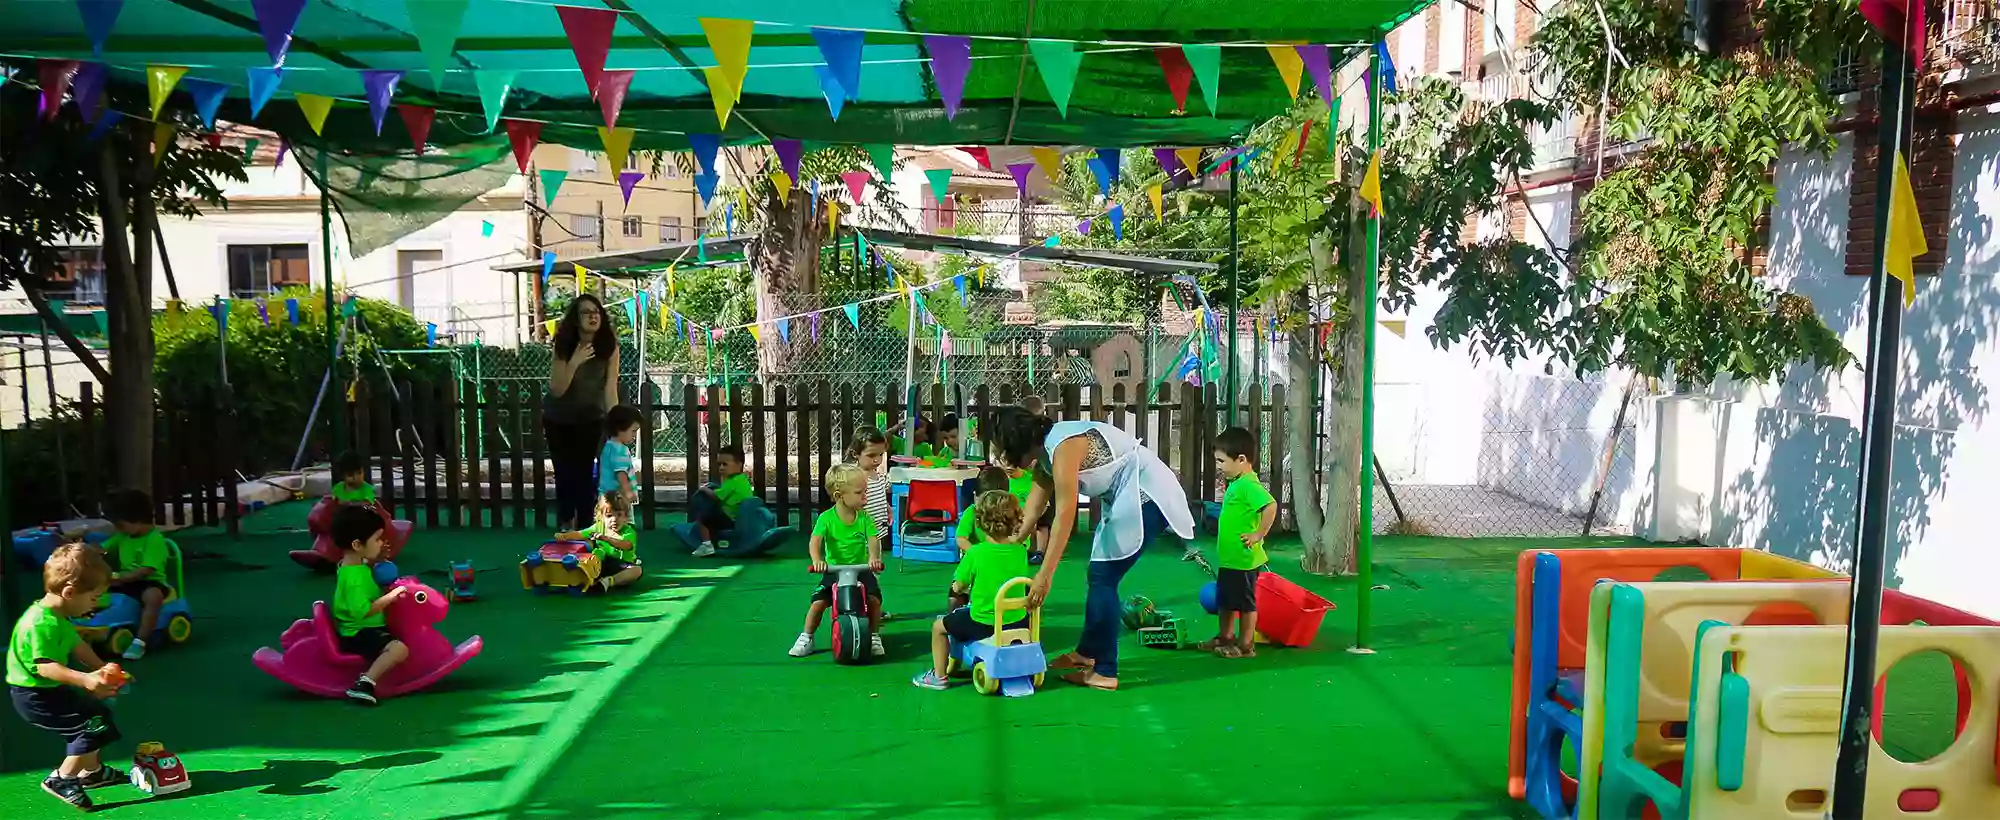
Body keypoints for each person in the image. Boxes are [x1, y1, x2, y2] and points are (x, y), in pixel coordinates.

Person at [983, 405, 1194, 691]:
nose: (1003, 459)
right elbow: (1034, 506)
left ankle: (1105, 670)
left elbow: (1065, 515)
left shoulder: (1063, 447)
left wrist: (1044, 576)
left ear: (1016, 442)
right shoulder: (1045, 455)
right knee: (1098, 576)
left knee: (1104, 578)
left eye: (1003, 450)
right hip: (1123, 495)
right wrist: (1009, 544)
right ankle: (1086, 654)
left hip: (1147, 492)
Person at [7, 545, 127, 810]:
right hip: (34, 696)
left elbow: (77, 646)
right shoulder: (42, 623)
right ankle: (62, 778)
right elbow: (45, 666)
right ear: (70, 593)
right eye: (94, 598)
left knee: (97, 716)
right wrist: (86, 680)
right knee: (89, 726)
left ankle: (91, 772)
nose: (97, 604)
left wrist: (102, 667)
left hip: (48, 691)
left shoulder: (58, 615)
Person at [912, 490, 1032, 690]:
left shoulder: (976, 552)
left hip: (983, 622)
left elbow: (959, 585)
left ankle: (939, 676)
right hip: (1017, 620)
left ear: (981, 522)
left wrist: (957, 587)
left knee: (939, 627)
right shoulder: (1020, 551)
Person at [791, 464, 885, 658]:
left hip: (861, 569)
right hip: (834, 570)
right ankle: (807, 636)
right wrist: (817, 560)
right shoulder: (826, 519)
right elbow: (815, 541)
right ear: (839, 496)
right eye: (859, 492)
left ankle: (874, 635)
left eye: (865, 491)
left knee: (874, 601)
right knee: (817, 603)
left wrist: (874, 558)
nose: (865, 496)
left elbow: (873, 540)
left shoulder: (865, 518)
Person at [544, 294, 622, 530]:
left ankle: (586, 526)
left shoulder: (609, 347)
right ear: (576, 320)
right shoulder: (564, 345)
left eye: (596, 311)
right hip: (559, 419)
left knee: (587, 474)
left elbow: (610, 389)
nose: (592, 316)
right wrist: (575, 361)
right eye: (586, 312)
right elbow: (557, 389)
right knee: (565, 474)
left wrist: (616, 423)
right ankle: (566, 523)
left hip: (590, 419)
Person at [1206, 427, 1276, 659]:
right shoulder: (1236, 482)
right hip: (1231, 558)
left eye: (1221, 461)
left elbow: (1270, 505)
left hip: (1244, 560)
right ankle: (1225, 636)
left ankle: (1246, 644)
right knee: (1225, 600)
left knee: (1245, 603)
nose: (1218, 466)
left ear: (1242, 459)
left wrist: (1258, 534)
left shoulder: (1248, 485)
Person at [331, 505, 410, 705]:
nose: (382, 542)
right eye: (377, 539)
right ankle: (366, 682)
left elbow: (366, 566)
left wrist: (378, 559)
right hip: (359, 632)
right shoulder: (354, 578)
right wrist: (392, 595)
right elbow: (363, 611)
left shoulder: (353, 564)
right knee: (399, 649)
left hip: (365, 627)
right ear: (358, 544)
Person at [101, 489, 171, 661]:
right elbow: (103, 549)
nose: (117, 529)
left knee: (153, 597)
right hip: (125, 580)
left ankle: (140, 642)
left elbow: (147, 569)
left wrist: (125, 577)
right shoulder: (123, 536)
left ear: (137, 520)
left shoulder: (154, 539)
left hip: (148, 582)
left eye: (120, 524)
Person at [557, 491, 642, 593]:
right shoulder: (599, 527)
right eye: (609, 515)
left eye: (619, 515)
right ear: (601, 517)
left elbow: (626, 545)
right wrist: (565, 536)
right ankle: (582, 577)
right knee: (589, 546)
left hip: (621, 565)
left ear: (626, 517)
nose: (614, 519)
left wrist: (606, 538)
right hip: (600, 563)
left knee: (637, 570)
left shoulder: (628, 531)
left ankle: (608, 582)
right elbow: (581, 534)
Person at [691, 443, 752, 557]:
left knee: (703, 516)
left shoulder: (732, 482)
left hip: (730, 518)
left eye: (725, 464)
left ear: (739, 465)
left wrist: (703, 489)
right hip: (737, 516)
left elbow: (715, 496)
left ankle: (706, 544)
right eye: (719, 464)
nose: (721, 468)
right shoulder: (742, 479)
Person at [845, 427, 892, 535]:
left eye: (880, 455)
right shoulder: (855, 478)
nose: (877, 460)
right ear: (855, 454)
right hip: (861, 532)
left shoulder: (879, 476)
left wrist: (888, 509)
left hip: (878, 531)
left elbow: (881, 497)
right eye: (871, 455)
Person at [598, 404, 643, 508]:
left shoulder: (608, 446)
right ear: (620, 428)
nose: (635, 435)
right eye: (633, 431)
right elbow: (621, 473)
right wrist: (628, 492)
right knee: (624, 522)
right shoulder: (620, 450)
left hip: (605, 496)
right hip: (619, 499)